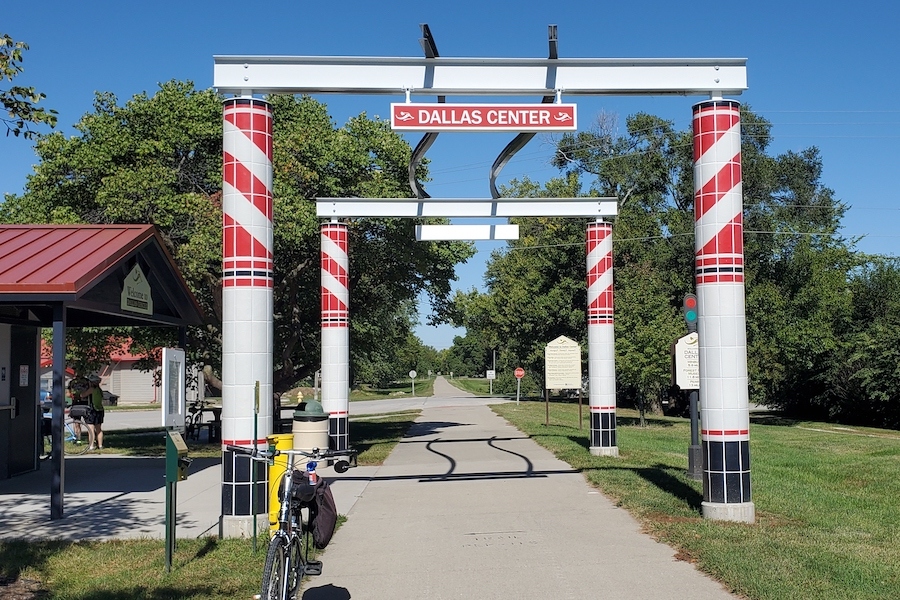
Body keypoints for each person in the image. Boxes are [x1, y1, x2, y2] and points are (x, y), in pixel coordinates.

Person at [81, 374, 105, 451]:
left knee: (90, 429)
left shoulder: (91, 389)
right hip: (100, 410)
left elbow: (82, 395)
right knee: (99, 429)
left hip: (92, 410)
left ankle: (91, 446)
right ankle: (100, 445)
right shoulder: (99, 390)